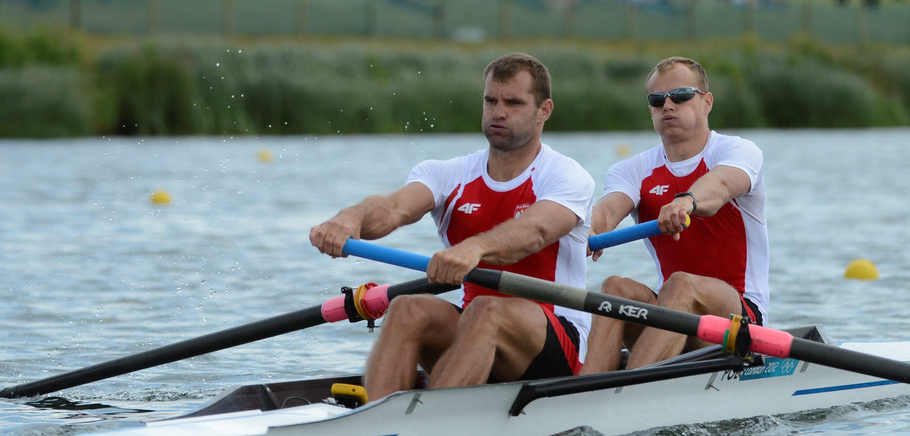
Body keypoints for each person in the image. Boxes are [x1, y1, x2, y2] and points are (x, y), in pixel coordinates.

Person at [310, 53, 595, 400]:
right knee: (406, 307)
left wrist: (475, 247)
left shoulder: (566, 175)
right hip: (474, 325)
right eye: (490, 101)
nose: (498, 112)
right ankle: (379, 419)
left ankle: (431, 422)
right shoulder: (448, 173)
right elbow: (393, 208)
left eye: (513, 103)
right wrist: (350, 217)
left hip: (556, 342)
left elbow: (535, 231)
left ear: (544, 110)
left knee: (486, 310)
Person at [580, 56, 767, 375]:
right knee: (615, 288)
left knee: (681, 284)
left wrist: (687, 201)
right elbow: (608, 210)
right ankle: (585, 392)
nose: (668, 105)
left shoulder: (737, 151)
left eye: (680, 95)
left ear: (707, 102)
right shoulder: (633, 169)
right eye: (657, 100)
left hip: (738, 319)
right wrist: (586, 233)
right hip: (674, 315)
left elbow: (720, 186)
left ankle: (625, 394)